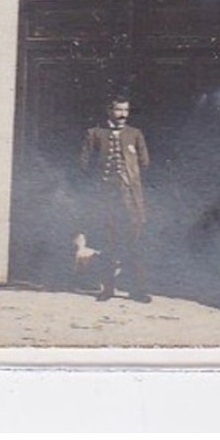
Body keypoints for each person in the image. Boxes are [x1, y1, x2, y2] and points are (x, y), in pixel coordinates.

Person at [78, 96, 151, 302]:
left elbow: (145, 162)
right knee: (107, 244)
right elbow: (84, 164)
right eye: (119, 110)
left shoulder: (135, 134)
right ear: (109, 110)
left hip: (130, 198)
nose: (123, 114)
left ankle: (138, 290)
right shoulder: (94, 133)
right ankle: (107, 289)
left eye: (126, 110)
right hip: (105, 199)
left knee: (134, 244)